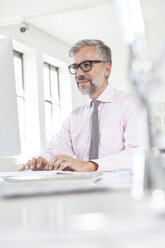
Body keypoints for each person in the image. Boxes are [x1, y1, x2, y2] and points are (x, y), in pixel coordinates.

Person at [20, 39, 140, 172]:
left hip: (121, 189)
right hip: (84, 188)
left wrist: (90, 165)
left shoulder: (131, 104)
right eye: (76, 67)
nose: (79, 74)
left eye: (87, 65)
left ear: (107, 69)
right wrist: (41, 161)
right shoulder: (75, 117)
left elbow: (139, 153)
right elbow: (54, 149)